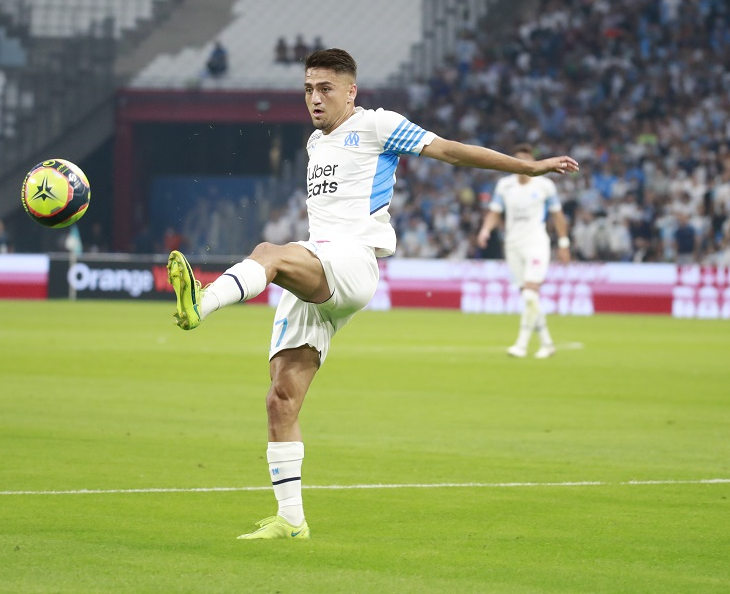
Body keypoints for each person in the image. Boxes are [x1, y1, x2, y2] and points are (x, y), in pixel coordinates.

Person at [166, 49, 578, 540]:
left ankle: (201, 302)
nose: (314, 99)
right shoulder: (315, 145)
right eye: (307, 89)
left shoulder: (380, 125)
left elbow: (448, 149)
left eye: (325, 89)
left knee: (267, 253)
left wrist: (527, 169)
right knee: (281, 400)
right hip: (320, 267)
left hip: (355, 261)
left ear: (350, 91)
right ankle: (291, 520)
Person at [476, 143, 571, 359]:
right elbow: (494, 211)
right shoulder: (504, 185)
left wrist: (564, 243)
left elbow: (557, 215)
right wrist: (485, 230)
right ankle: (547, 343)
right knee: (529, 298)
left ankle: (521, 344)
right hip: (512, 245)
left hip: (536, 243)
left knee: (529, 294)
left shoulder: (545, 185)